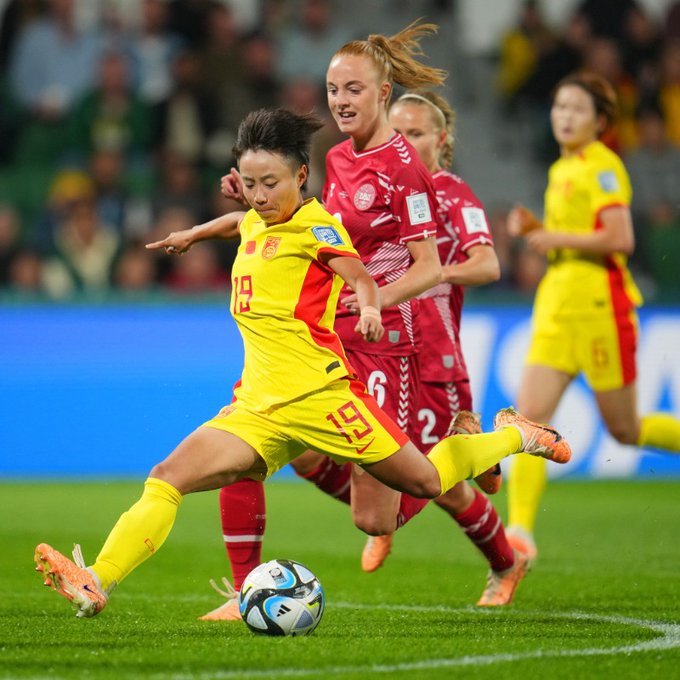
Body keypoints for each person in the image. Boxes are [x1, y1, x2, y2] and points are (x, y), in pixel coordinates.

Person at [34, 107, 571, 619]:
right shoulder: (255, 220)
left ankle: (515, 435)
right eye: (250, 183)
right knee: (166, 477)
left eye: (272, 183)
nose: (260, 196)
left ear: (301, 176)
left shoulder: (316, 227)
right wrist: (194, 233)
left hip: (323, 398)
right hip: (260, 407)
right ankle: (96, 580)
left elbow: (357, 271)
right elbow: (240, 223)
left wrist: (365, 302)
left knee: (426, 482)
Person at [201, 22, 530, 621]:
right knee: (260, 446)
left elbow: (442, 267)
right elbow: (317, 227)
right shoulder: (335, 157)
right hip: (329, 339)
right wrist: (253, 197)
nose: (341, 100)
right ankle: (247, 588)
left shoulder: (419, 179)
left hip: (400, 345)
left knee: (402, 501)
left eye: (354, 89)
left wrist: (374, 297)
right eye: (333, 89)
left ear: (385, 95)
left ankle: (500, 473)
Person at [505, 72, 680, 567]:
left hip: (601, 311)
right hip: (558, 306)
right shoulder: (562, 169)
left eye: (577, 109)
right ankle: (519, 533)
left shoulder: (604, 167)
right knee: (528, 423)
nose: (564, 116)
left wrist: (554, 238)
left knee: (624, 430)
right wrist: (539, 230)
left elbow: (620, 238)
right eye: (559, 106)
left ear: (601, 122)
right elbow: (573, 235)